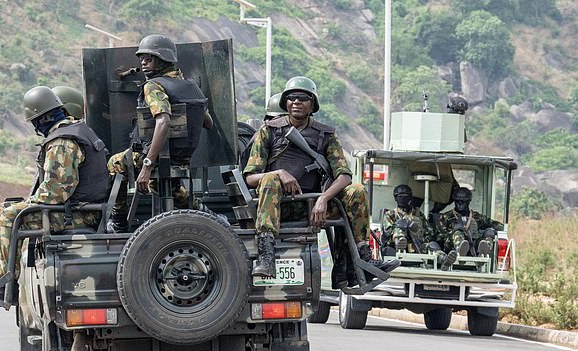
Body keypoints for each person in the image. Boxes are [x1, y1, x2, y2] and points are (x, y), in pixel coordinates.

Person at [243, 76, 398, 285]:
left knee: (357, 190)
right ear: (285, 103)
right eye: (291, 98)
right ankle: (266, 256)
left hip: (314, 208)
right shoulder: (269, 131)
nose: (296, 102)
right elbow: (250, 177)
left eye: (303, 98)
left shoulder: (325, 135)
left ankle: (362, 260)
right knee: (270, 179)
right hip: (277, 208)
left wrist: (324, 198)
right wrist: (279, 173)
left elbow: (344, 175)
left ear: (312, 105)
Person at [0, 86, 110, 296]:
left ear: (41, 119)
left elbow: (56, 193)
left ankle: (4, 283)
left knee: (9, 216)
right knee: (3, 209)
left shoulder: (62, 141)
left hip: (78, 215)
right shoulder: (76, 131)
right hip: (79, 210)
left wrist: (30, 202)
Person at [106, 34, 213, 232]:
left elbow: (163, 121)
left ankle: (118, 221)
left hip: (157, 158)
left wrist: (147, 165)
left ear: (163, 60)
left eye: (149, 59)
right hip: (181, 158)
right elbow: (208, 123)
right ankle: (208, 214)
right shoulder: (191, 86)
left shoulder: (153, 86)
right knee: (167, 187)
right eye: (142, 59)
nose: (143, 63)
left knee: (114, 163)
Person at [381, 185, 457, 271]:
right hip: (396, 248)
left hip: (417, 246)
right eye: (400, 196)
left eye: (406, 196)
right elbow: (387, 232)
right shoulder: (390, 214)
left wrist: (419, 232)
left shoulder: (418, 214)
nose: (403, 199)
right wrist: (407, 224)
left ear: (410, 197)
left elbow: (429, 233)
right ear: (395, 198)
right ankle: (400, 241)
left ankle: (444, 259)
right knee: (399, 227)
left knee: (432, 245)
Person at [437, 187, 503, 258]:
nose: (460, 204)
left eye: (463, 201)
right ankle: (460, 252)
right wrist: (453, 232)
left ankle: (483, 255)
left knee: (489, 232)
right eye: (457, 201)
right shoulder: (445, 217)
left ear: (468, 201)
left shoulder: (476, 217)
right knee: (457, 233)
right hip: (452, 251)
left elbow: (497, 225)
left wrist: (492, 231)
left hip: (473, 247)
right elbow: (439, 238)